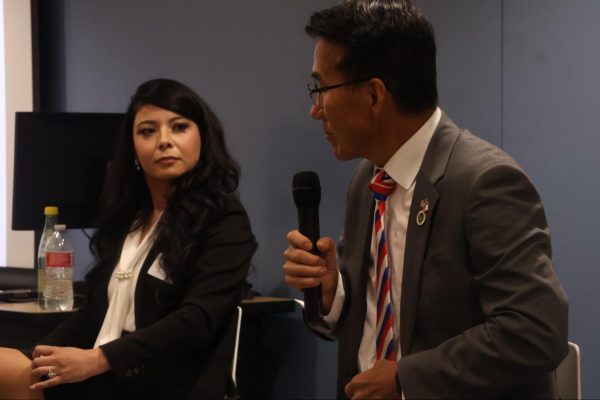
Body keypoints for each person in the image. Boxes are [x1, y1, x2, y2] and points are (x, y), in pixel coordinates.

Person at [282, 1, 569, 398]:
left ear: (373, 95)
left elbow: (536, 330)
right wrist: (334, 292)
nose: (315, 110)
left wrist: (406, 378)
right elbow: (382, 315)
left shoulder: (483, 181)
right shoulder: (369, 178)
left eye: (320, 88)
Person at [0, 78, 257, 399]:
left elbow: (197, 320)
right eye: (148, 130)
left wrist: (98, 359)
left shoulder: (224, 219)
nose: (164, 141)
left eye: (179, 127)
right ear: (133, 149)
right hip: (102, 369)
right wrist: (43, 354)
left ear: (202, 138)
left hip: (159, 378)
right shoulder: (129, 219)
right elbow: (93, 312)